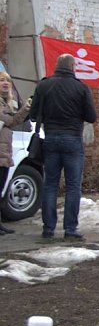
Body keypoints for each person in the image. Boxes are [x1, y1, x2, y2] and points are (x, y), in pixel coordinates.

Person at [29, 54, 97, 240]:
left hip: (50, 138)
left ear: (56, 66)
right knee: (73, 185)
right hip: (72, 139)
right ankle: (70, 229)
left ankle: (48, 228)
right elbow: (91, 116)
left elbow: (34, 114)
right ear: (73, 67)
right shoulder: (81, 87)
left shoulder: (43, 85)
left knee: (50, 184)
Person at [0, 71, 31, 235]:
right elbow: (9, 121)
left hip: (4, 152)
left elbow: (13, 122)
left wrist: (25, 108)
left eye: (8, 81)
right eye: (1, 81)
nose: (5, 83)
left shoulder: (7, 104)